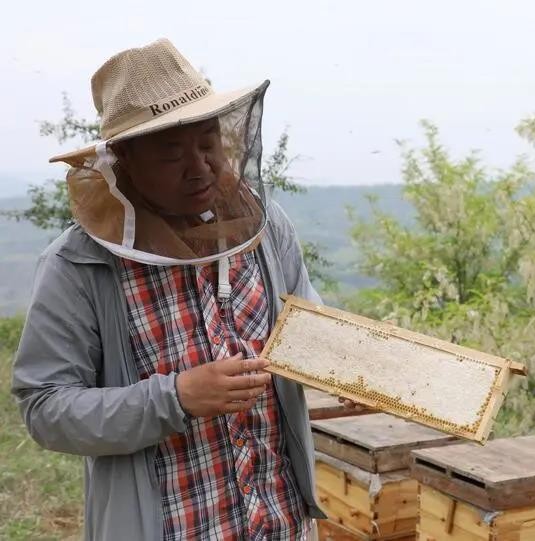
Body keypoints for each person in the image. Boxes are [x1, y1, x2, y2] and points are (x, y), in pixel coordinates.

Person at [11, 38, 332, 540]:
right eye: (171, 153)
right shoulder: (79, 265)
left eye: (208, 143)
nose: (200, 166)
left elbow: (306, 330)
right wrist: (176, 397)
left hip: (280, 523)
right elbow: (45, 409)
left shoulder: (265, 228)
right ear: (124, 161)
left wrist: (359, 362)